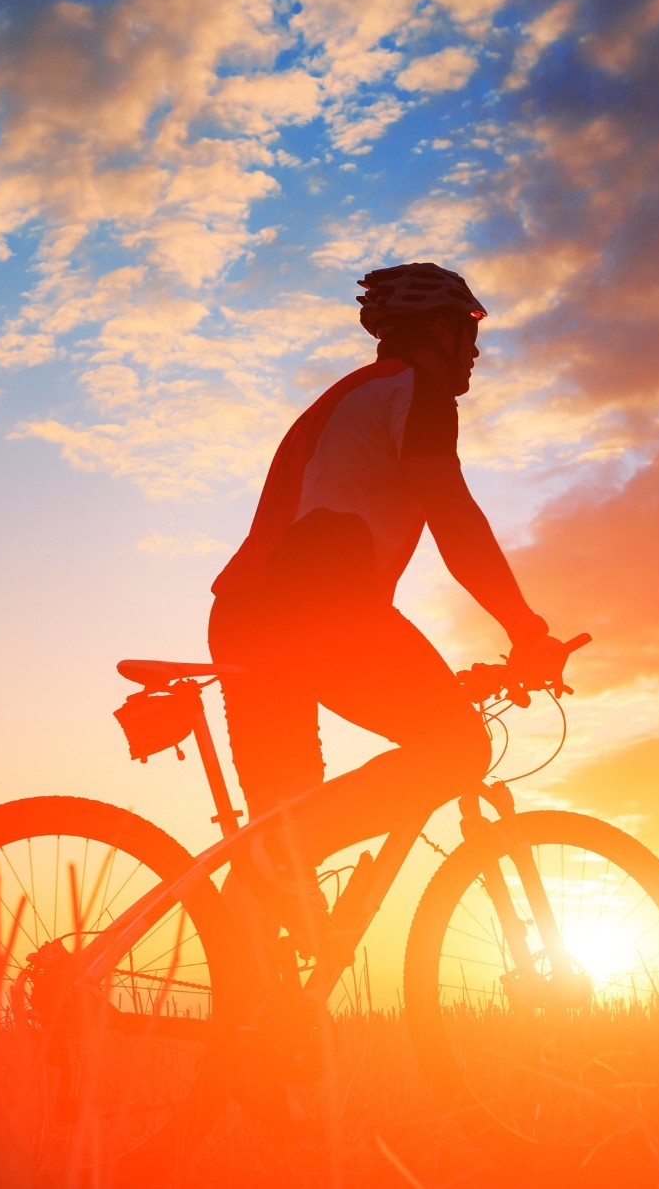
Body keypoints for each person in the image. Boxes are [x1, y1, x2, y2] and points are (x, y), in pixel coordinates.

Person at [208, 262, 566, 948]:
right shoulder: (417, 392)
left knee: (279, 841)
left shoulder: (341, 400)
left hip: (247, 615)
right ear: (437, 330)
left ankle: (244, 1035)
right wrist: (525, 627)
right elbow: (454, 519)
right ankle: (280, 856)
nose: (476, 350)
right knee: (460, 744)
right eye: (468, 331)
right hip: (316, 606)